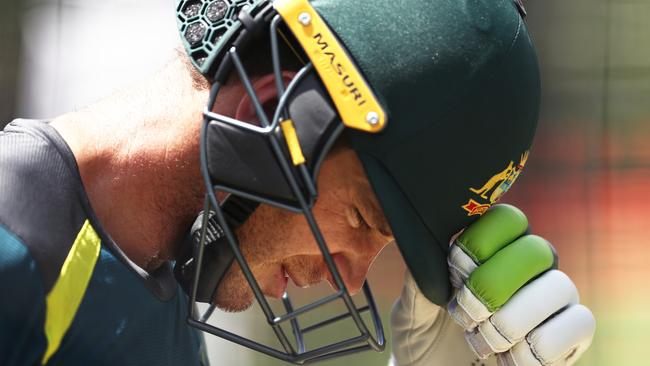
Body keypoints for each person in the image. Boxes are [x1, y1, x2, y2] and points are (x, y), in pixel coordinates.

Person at [0, 0, 595, 365]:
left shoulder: (158, 291)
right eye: (365, 219)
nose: (353, 273)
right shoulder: (15, 255)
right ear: (268, 108)